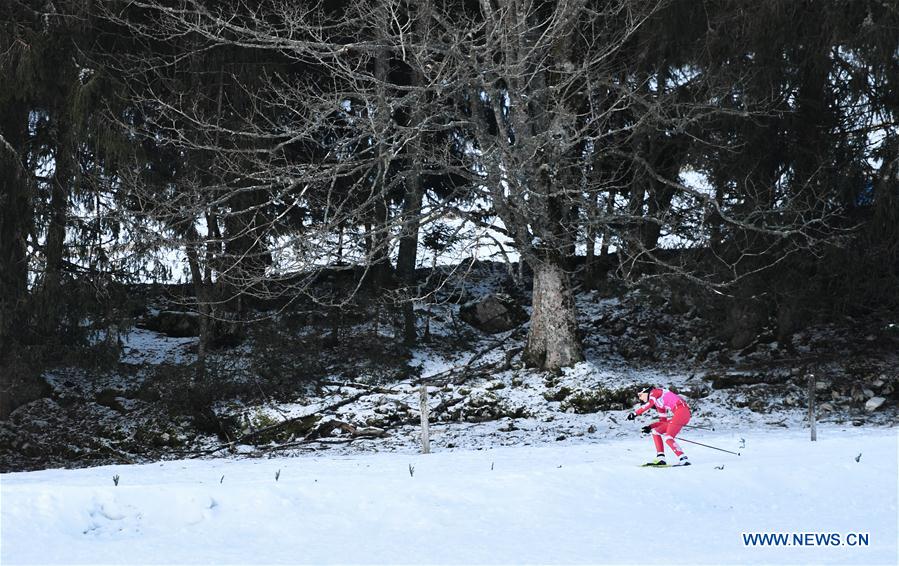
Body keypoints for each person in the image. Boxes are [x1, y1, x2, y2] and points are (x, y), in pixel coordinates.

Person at [626, 386, 691, 466]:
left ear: (646, 392)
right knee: (656, 431)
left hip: (682, 411)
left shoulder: (655, 392)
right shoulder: (658, 404)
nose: (640, 398)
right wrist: (650, 427)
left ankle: (683, 459)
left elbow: (649, 404)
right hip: (681, 413)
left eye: (640, 395)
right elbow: (663, 422)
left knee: (668, 437)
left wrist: (635, 413)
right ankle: (661, 458)